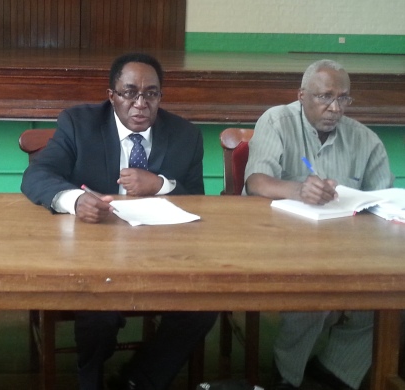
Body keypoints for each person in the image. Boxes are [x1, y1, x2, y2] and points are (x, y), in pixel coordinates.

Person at [21, 53, 218, 390]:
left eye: (151, 94)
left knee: (203, 305)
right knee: (99, 312)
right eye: (129, 93)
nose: (140, 104)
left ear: (160, 97)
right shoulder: (79, 123)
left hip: (163, 253)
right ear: (112, 96)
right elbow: (37, 175)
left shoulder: (186, 135)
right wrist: (75, 199)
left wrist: (161, 185)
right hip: (93, 250)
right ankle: (91, 379)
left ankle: (139, 380)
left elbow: (196, 196)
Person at [244, 59, 394, 390]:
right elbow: (256, 181)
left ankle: (335, 370)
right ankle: (288, 375)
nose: (335, 108)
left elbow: (384, 199)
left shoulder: (364, 140)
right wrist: (297, 189)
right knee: (317, 298)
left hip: (346, 245)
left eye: (343, 98)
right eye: (325, 97)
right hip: (281, 241)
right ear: (302, 95)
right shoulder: (277, 121)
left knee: (389, 299)